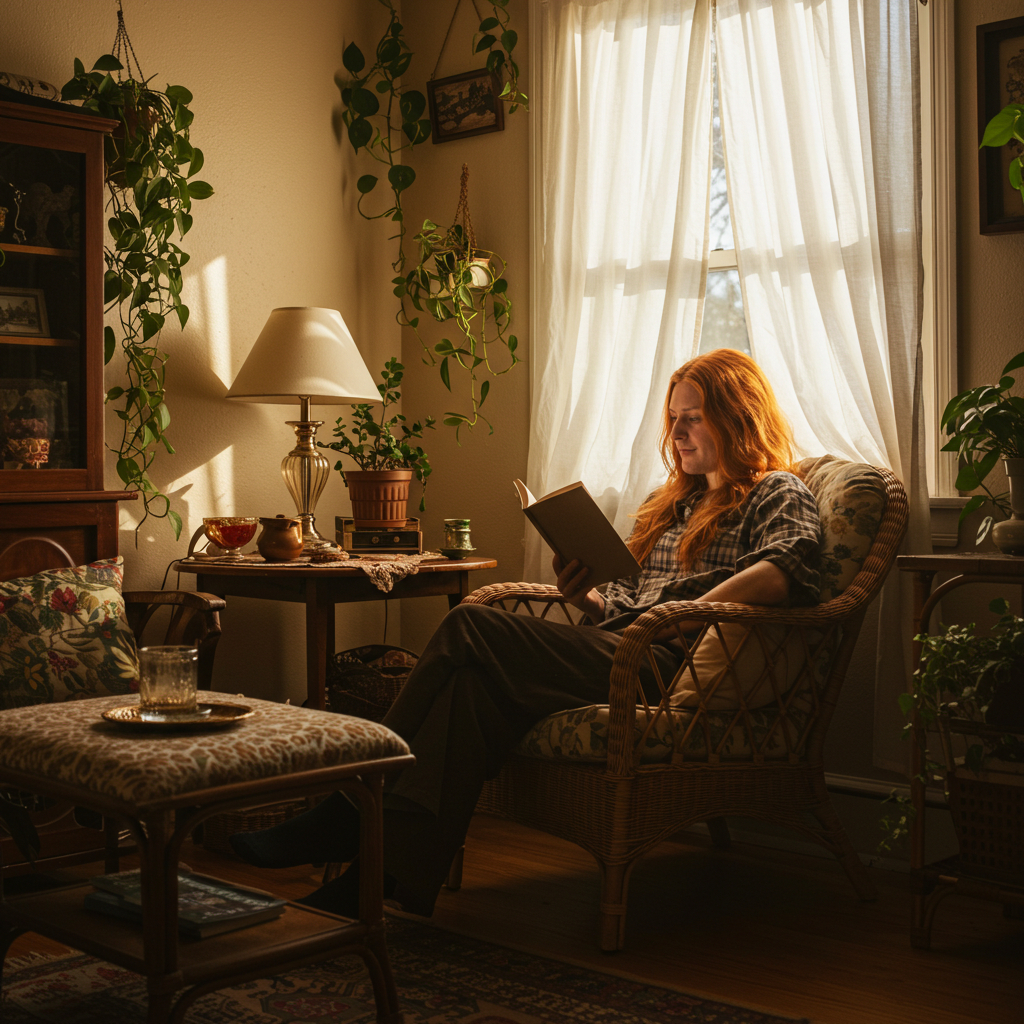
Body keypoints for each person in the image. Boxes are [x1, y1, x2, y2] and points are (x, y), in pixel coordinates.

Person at [230, 349, 823, 917]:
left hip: (668, 662)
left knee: (470, 623)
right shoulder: (671, 506)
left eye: (694, 418)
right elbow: (624, 600)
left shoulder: (776, 490)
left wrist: (688, 615)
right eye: (673, 419)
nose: (680, 432)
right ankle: (378, 882)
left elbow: (784, 569)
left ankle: (344, 807)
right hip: (620, 646)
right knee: (470, 694)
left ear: (738, 417)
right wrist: (585, 596)